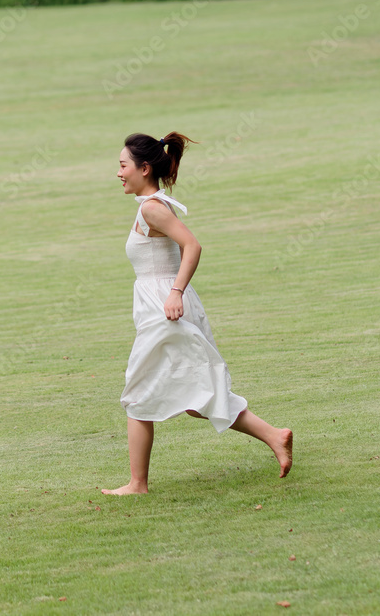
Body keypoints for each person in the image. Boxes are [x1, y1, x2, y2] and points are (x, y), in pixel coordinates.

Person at [102, 132, 293, 495]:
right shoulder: (152, 205)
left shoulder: (151, 208)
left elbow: (193, 245)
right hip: (161, 306)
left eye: (123, 165)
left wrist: (174, 292)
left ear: (144, 169)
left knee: (139, 393)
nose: (118, 173)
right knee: (194, 396)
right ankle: (274, 435)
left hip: (166, 309)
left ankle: (137, 484)